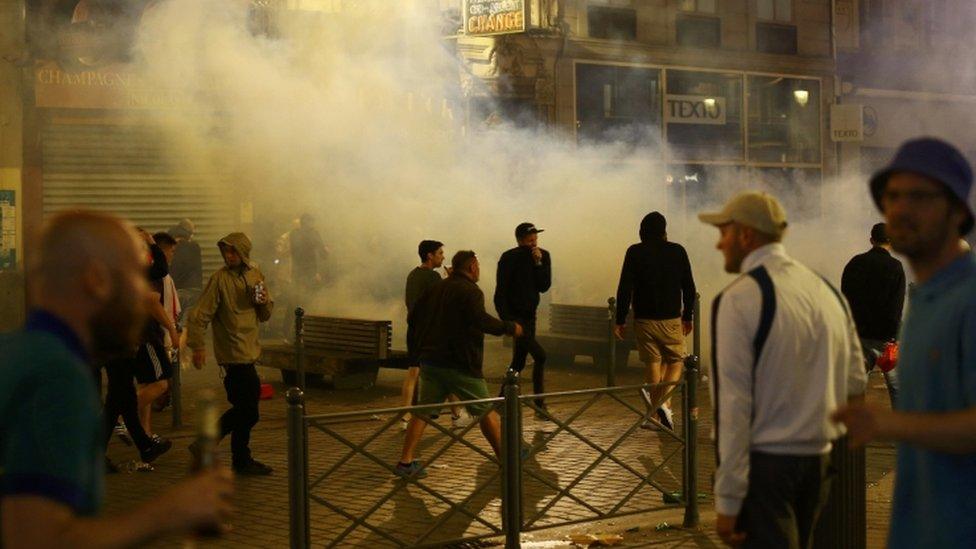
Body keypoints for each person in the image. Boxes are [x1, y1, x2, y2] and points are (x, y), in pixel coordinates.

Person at [0, 210, 231, 547]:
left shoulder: (23, 355)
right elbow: (39, 539)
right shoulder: (58, 376)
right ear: (96, 278)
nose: (144, 294)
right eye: (134, 277)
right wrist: (174, 510)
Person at [698, 191, 867, 548]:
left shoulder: (738, 298)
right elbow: (856, 380)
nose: (719, 244)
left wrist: (728, 500)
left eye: (724, 232)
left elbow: (733, 406)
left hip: (767, 470)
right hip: (820, 463)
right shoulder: (826, 291)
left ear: (746, 235)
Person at [832, 138, 976, 548]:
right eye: (891, 197)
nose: (899, 210)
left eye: (918, 197)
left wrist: (891, 423)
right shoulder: (928, 296)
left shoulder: (968, 298)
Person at [396, 251, 523, 478]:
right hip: (460, 363)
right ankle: (507, 462)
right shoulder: (470, 291)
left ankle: (405, 462)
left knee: (423, 412)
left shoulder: (438, 288)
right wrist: (509, 327)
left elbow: (415, 315)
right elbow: (480, 320)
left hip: (431, 360)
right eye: (478, 266)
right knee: (486, 411)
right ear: (472, 267)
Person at [187, 232, 275, 476]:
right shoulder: (219, 280)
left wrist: (264, 301)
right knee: (248, 411)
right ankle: (225, 451)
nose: (229, 256)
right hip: (234, 356)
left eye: (234, 251)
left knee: (244, 410)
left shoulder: (255, 275)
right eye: (226, 251)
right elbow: (199, 315)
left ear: (244, 252)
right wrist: (198, 346)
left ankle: (238, 458)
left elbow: (265, 314)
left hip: (249, 352)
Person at [614, 212, 696, 431]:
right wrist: (688, 315)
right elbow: (688, 286)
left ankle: (655, 414)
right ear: (664, 231)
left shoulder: (634, 252)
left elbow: (624, 287)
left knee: (652, 364)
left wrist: (620, 318)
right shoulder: (677, 251)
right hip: (670, 318)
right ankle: (663, 406)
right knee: (676, 360)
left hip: (643, 319)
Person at [401, 240, 468, 431]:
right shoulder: (433, 277)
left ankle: (405, 416)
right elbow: (445, 301)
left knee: (413, 372)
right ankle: (456, 415)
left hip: (414, 330)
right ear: (430, 255)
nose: (443, 257)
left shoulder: (413, 275)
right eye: (440, 253)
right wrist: (453, 279)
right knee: (445, 371)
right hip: (431, 333)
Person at [840, 222, 905, 407]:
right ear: (891, 242)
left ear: (871, 240)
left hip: (859, 336)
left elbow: (844, 298)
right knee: (897, 387)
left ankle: (854, 431)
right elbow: (896, 306)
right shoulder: (895, 267)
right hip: (886, 339)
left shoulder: (854, 263)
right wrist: (895, 337)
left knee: (855, 387)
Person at [494, 222, 551, 416]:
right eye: (529, 240)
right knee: (540, 355)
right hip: (515, 317)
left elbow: (544, 286)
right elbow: (500, 291)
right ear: (519, 241)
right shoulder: (509, 258)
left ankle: (502, 401)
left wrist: (538, 263)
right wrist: (507, 321)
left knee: (518, 360)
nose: (534, 244)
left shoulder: (543, 256)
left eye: (535, 239)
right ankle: (539, 404)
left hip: (530, 315)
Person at [168, 218, 203, 325]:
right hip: (193, 289)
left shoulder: (170, 247)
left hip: (176, 290)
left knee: (175, 324)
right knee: (187, 326)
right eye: (192, 233)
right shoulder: (194, 246)